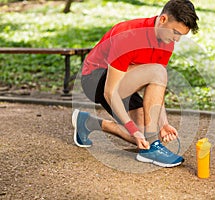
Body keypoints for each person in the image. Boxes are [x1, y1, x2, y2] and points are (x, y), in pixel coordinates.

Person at [72, 0, 199, 168]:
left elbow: (156, 86)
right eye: (175, 32)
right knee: (144, 133)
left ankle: (87, 122)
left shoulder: (167, 42)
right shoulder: (128, 35)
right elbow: (110, 92)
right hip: (95, 80)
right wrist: (132, 129)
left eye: (181, 35)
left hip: (125, 81)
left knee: (147, 135)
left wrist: (164, 123)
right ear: (162, 19)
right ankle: (151, 149)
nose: (176, 39)